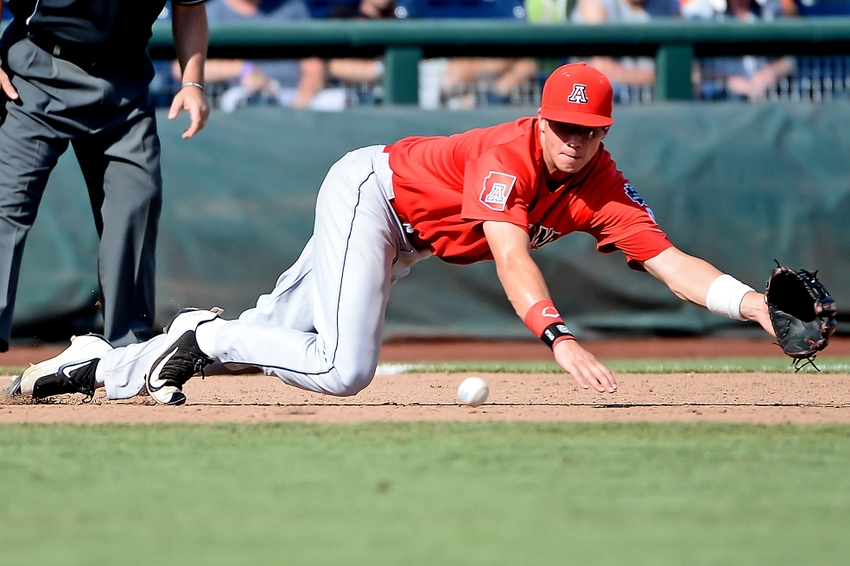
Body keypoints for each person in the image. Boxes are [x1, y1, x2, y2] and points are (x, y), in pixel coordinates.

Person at [7, 63, 774, 406]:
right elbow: (510, 255)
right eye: (564, 126)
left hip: (403, 234)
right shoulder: (510, 155)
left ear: (605, 132)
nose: (575, 140)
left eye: (590, 129)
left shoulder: (601, 184)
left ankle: (100, 364)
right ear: (542, 119)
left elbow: (672, 264)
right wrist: (557, 335)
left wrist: (758, 308)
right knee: (342, 369)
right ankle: (199, 338)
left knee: (271, 335)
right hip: (372, 198)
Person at [0, 0, 210, 353]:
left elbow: (189, 8)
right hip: (38, 69)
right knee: (6, 205)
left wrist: (194, 82)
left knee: (136, 201)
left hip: (124, 81)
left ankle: (130, 349)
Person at [196, 0, 331, 111]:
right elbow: (185, 68)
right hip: (245, 99)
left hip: (294, 97)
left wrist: (300, 104)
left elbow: (314, 67)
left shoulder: (292, 7)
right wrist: (244, 69)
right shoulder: (214, 12)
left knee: (334, 102)